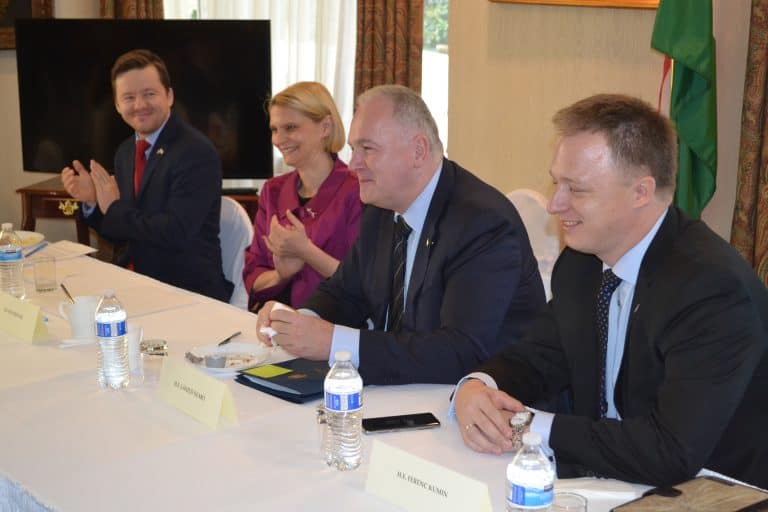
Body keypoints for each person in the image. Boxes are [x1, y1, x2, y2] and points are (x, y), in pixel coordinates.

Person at [453, 94, 768, 488]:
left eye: (577, 190)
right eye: (556, 182)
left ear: (641, 192)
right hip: (611, 478)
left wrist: (528, 427)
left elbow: (669, 451)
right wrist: (478, 386)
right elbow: (539, 358)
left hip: (716, 492)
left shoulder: (711, 290)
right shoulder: (581, 263)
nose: (555, 204)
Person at [256, 85, 545, 385]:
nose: (353, 164)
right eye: (353, 149)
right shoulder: (380, 208)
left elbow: (460, 352)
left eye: (367, 149)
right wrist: (299, 321)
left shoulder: (481, 222)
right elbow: (344, 292)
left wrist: (333, 343)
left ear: (418, 151)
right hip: (403, 390)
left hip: (487, 399)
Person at [61, 49, 232, 302]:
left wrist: (114, 208)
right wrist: (93, 202)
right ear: (117, 105)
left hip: (186, 291)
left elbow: (175, 232)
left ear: (169, 96)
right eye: (129, 97)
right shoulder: (125, 152)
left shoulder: (196, 152)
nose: (140, 105)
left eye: (149, 94)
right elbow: (122, 232)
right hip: (136, 282)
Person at [242, 82, 362, 311]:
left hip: (333, 325)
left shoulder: (358, 191)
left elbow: (362, 283)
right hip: (275, 322)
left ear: (325, 127)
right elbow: (253, 277)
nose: (278, 140)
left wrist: (306, 251)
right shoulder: (272, 191)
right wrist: (281, 275)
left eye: (290, 127)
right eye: (274, 129)